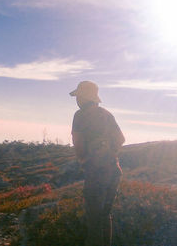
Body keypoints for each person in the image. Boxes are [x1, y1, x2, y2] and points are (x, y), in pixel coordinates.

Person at [70, 81, 125, 246]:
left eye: (78, 96)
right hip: (114, 171)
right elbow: (121, 139)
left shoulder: (80, 115)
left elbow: (78, 142)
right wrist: (110, 153)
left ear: (82, 97)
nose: (76, 100)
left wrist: (85, 160)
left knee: (94, 219)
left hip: (96, 173)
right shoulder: (106, 114)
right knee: (104, 215)